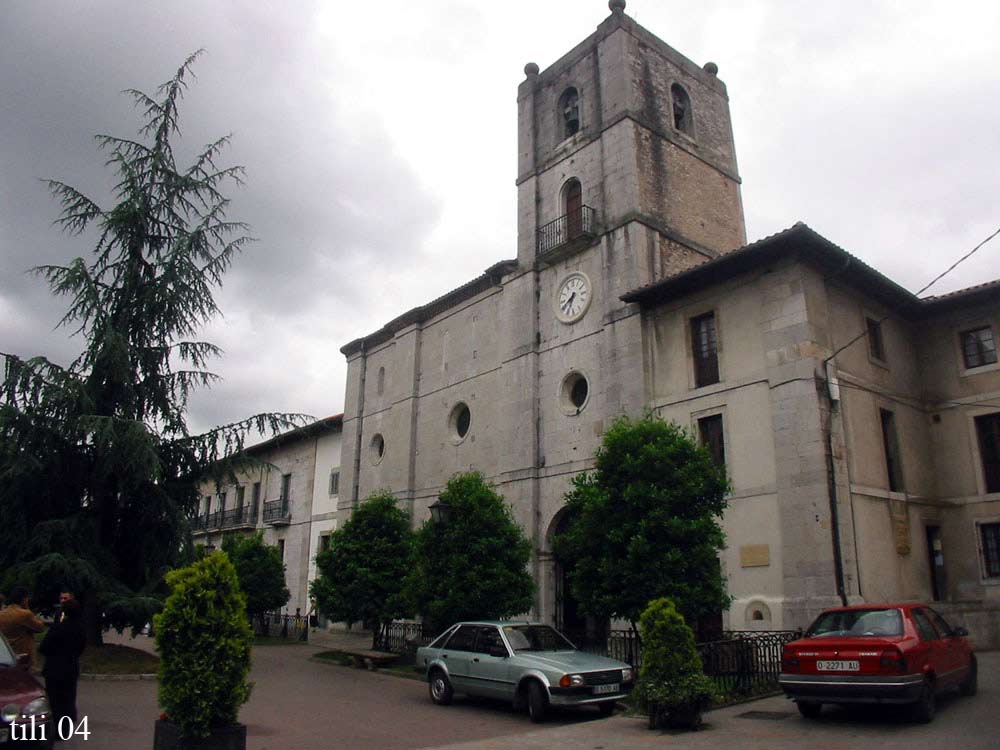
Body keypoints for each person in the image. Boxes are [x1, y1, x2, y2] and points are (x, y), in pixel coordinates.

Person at [39, 598, 86, 727]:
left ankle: (55, 726)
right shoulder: (81, 630)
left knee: (54, 700)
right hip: (71, 667)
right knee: (68, 698)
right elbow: (81, 648)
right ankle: (66, 726)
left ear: (64, 613)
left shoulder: (57, 628)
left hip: (53, 668)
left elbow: (43, 647)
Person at [0, 586, 45, 669]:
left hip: (9, 654)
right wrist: (28, 608)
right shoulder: (25, 614)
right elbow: (40, 627)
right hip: (24, 654)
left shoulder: (2, 614)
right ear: (24, 599)